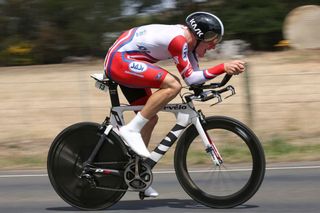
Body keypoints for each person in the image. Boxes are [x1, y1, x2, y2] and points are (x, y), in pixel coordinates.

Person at [104, 11, 245, 197]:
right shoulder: (179, 41)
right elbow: (188, 79)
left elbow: (195, 80)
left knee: (150, 118)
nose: (213, 45)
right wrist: (222, 67)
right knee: (173, 85)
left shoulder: (190, 46)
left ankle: (138, 176)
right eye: (211, 39)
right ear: (199, 34)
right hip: (120, 60)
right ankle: (130, 130)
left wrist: (215, 85)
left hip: (131, 61)